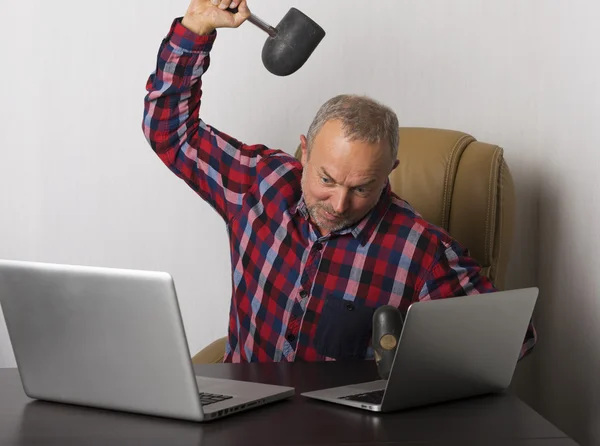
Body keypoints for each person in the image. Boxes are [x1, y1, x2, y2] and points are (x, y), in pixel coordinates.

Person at [142, 0, 536, 363]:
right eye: (326, 179)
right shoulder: (258, 184)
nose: (339, 204)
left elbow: (514, 339)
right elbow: (170, 133)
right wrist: (194, 30)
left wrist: (413, 374)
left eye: (362, 187)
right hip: (242, 413)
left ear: (390, 171)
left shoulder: (420, 250)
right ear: (305, 152)